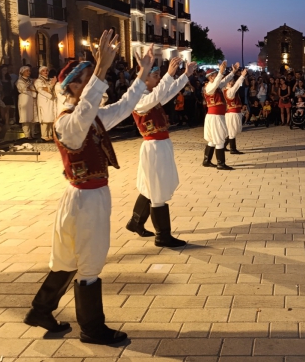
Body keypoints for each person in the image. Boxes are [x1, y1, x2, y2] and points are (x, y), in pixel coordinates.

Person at [24, 32, 154, 345]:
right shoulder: (68, 121)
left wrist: (142, 75)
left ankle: (41, 309)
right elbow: (83, 114)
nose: (89, 85)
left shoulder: (90, 117)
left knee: (68, 259)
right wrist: (101, 70)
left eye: (89, 79)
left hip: (84, 198)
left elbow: (123, 108)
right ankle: (93, 329)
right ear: (69, 86)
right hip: (84, 199)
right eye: (82, 80)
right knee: (90, 261)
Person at [126, 56, 196, 248]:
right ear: (144, 78)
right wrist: (169, 75)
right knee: (157, 188)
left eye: (158, 75)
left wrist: (184, 76)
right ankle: (162, 235)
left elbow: (167, 92)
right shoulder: (139, 98)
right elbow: (157, 96)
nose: (158, 79)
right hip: (153, 146)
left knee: (152, 185)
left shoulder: (148, 95)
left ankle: (135, 222)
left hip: (160, 145)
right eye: (155, 75)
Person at [201, 61, 239, 170]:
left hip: (215, 116)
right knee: (220, 139)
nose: (215, 77)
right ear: (210, 77)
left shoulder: (215, 86)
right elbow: (219, 80)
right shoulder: (209, 87)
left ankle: (207, 160)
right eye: (213, 75)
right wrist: (220, 72)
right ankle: (220, 163)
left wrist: (233, 72)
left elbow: (224, 80)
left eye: (215, 75)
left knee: (213, 139)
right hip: (215, 116)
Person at [224, 69, 248, 154]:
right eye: (231, 81)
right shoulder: (229, 91)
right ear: (228, 83)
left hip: (232, 112)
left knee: (232, 130)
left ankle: (224, 146)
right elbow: (237, 86)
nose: (233, 83)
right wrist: (242, 76)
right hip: (232, 113)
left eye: (233, 81)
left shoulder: (226, 90)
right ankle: (232, 149)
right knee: (232, 131)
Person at [35, 66, 57, 141]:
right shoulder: (38, 81)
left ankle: (50, 134)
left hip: (51, 101)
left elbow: (50, 88)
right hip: (44, 100)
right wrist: (51, 87)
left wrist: (51, 87)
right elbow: (41, 90)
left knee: (51, 118)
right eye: (43, 71)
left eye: (47, 70)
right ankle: (44, 135)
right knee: (45, 118)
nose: (46, 72)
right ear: (40, 72)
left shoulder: (50, 80)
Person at [16, 66, 37, 139]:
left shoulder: (30, 80)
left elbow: (33, 89)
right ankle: (27, 134)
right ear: (22, 72)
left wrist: (31, 89)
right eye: (27, 71)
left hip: (31, 99)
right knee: (25, 117)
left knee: (32, 117)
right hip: (24, 99)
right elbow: (23, 89)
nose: (29, 72)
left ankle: (32, 133)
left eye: (29, 71)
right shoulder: (20, 81)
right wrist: (30, 88)